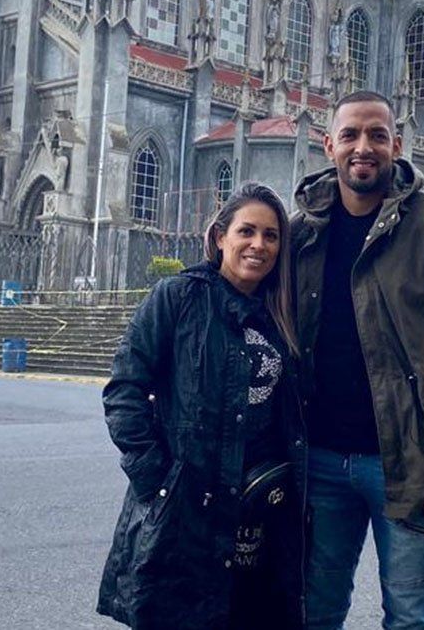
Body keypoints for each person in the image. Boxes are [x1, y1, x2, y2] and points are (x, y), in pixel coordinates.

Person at [292, 90, 424, 629]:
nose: (364, 147)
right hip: (321, 463)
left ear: (396, 146)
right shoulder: (303, 230)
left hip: (409, 463)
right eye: (351, 135)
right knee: (315, 613)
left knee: (409, 617)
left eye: (377, 135)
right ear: (328, 143)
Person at [97, 183, 307, 630]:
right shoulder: (178, 297)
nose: (258, 244)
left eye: (271, 236)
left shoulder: (283, 313)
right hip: (187, 515)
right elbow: (125, 390)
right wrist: (157, 480)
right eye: (246, 231)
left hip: (259, 517)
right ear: (219, 238)